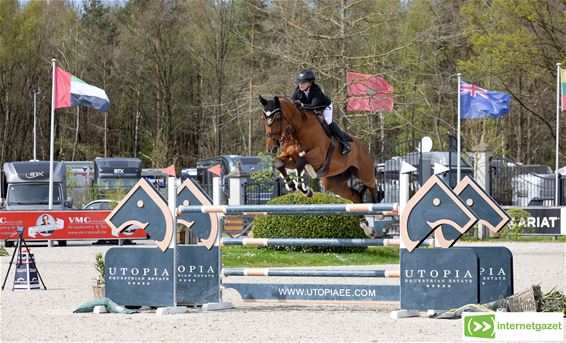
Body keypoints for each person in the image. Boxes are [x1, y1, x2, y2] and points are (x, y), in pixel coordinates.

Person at [291, 69, 352, 155]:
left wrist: (301, 104)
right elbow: (293, 101)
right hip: (310, 108)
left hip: (324, 106)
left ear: (310, 83)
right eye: (299, 82)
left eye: (303, 82)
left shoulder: (316, 90)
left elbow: (313, 106)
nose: (300, 85)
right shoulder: (298, 90)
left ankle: (344, 143)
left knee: (328, 120)